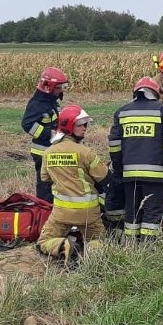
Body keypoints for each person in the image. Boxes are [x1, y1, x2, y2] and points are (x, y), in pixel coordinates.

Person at [36, 105, 110, 266]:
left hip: (61, 212)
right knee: (99, 239)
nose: (85, 128)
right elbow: (105, 178)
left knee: (44, 241)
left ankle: (64, 246)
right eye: (81, 125)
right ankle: (92, 254)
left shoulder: (48, 152)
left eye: (85, 124)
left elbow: (45, 178)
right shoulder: (85, 152)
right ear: (69, 126)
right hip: (88, 212)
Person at [109, 76, 163, 241]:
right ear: (155, 93)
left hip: (129, 174)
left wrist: (118, 169)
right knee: (152, 211)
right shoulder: (162, 111)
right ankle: (148, 247)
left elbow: (114, 145)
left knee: (132, 211)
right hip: (155, 175)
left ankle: (131, 245)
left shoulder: (122, 112)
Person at [21, 67, 69, 203]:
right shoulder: (37, 104)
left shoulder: (51, 100)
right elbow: (27, 125)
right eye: (59, 87)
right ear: (49, 87)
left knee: (55, 184)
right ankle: (44, 212)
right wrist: (51, 134)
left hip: (52, 149)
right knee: (45, 186)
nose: (61, 90)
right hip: (42, 151)